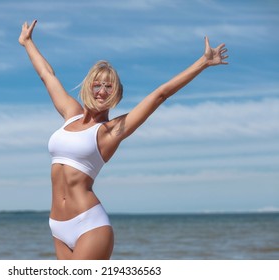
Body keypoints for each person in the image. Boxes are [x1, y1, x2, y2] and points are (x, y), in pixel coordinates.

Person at [18, 19, 228, 260]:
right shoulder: (70, 113)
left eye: (109, 86)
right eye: (97, 85)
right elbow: (47, 75)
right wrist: (27, 43)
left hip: (89, 225)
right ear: (88, 87)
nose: (102, 91)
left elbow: (160, 94)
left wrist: (203, 62)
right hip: (57, 226)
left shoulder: (112, 130)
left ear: (116, 93)